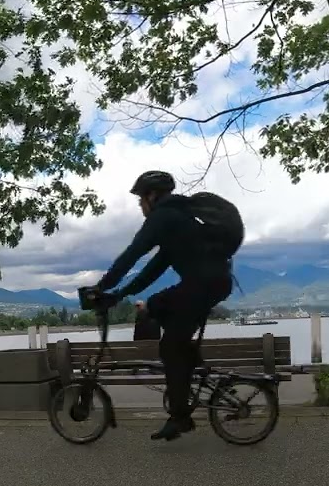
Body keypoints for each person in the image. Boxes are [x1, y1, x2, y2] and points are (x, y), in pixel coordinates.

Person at [86, 170, 236, 440]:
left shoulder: (163, 217)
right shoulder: (178, 221)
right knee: (164, 316)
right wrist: (119, 294)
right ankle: (187, 361)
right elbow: (151, 271)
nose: (141, 207)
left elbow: (133, 253)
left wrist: (102, 287)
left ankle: (180, 418)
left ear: (152, 196)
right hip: (211, 284)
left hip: (205, 285)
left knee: (164, 331)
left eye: (141, 200)